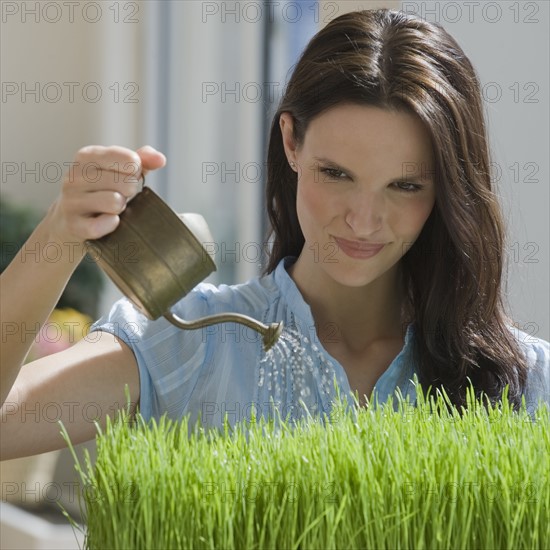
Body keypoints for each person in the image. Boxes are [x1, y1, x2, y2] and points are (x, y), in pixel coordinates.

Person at [1, 9, 548, 461]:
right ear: (291, 142)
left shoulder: (526, 382)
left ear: (447, 188)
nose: (363, 219)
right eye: (336, 174)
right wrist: (59, 235)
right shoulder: (192, 341)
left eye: (405, 186)